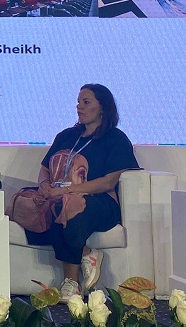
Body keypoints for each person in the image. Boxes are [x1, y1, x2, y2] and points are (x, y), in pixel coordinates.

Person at [26, 84, 139, 302]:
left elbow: (108, 182)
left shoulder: (115, 138)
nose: (79, 107)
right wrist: (45, 185)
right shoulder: (66, 136)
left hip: (100, 202)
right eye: (78, 102)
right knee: (28, 204)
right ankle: (87, 253)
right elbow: (45, 168)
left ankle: (71, 282)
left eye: (86, 102)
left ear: (103, 107)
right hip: (59, 196)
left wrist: (67, 190)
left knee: (67, 207)